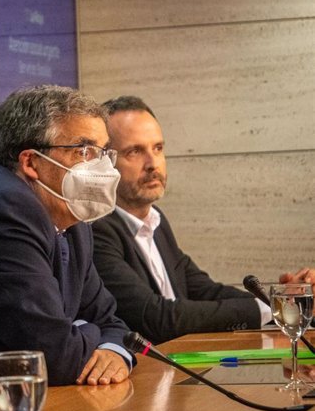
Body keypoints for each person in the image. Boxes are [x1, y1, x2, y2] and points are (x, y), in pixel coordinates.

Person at [0, 85, 133, 387]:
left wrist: (112, 349)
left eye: (105, 152)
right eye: (85, 151)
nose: (102, 166)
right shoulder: (4, 212)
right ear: (30, 162)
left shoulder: (72, 218)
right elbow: (55, 358)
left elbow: (113, 322)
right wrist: (89, 331)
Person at [92, 95, 315, 344]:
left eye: (158, 148)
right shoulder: (96, 231)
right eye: (135, 151)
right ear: (104, 162)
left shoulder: (156, 220)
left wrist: (288, 302)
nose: (153, 163)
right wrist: (274, 309)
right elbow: (157, 319)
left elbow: (204, 291)